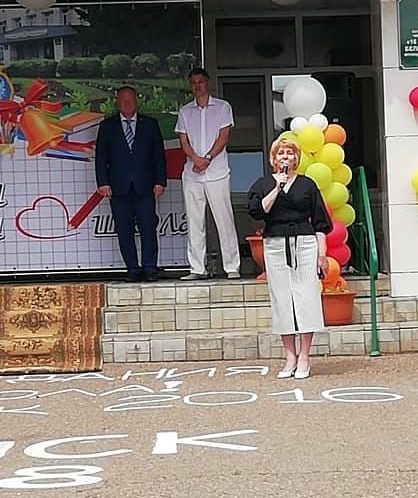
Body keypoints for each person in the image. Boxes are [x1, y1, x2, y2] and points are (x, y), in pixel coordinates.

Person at [247, 139, 332, 380]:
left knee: (306, 298)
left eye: (290, 153)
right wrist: (277, 187)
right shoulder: (263, 183)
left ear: (296, 158)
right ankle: (290, 357)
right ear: (274, 159)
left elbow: (320, 222)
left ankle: (305, 355)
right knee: (282, 299)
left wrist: (322, 254)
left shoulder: (307, 184)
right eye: (281, 153)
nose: (286, 157)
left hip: (304, 243)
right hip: (275, 243)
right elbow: (258, 211)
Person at [95, 85, 166, 283]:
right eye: (123, 100)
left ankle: (150, 267)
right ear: (117, 102)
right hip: (118, 187)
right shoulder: (107, 126)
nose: (126, 104)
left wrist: (160, 181)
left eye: (130, 100)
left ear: (136, 102)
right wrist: (103, 182)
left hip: (145, 185)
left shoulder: (149, 124)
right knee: (124, 229)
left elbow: (159, 156)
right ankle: (133, 269)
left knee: (148, 227)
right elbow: (101, 157)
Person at [175, 67, 241, 280]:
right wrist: (195, 159)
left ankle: (232, 267)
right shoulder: (185, 111)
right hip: (193, 172)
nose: (197, 86)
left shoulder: (222, 107)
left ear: (207, 83)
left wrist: (207, 159)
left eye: (200, 82)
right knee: (195, 222)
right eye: (193, 83)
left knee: (224, 220)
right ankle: (197, 268)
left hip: (217, 171)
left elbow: (224, 137)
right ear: (190, 85)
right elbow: (183, 140)